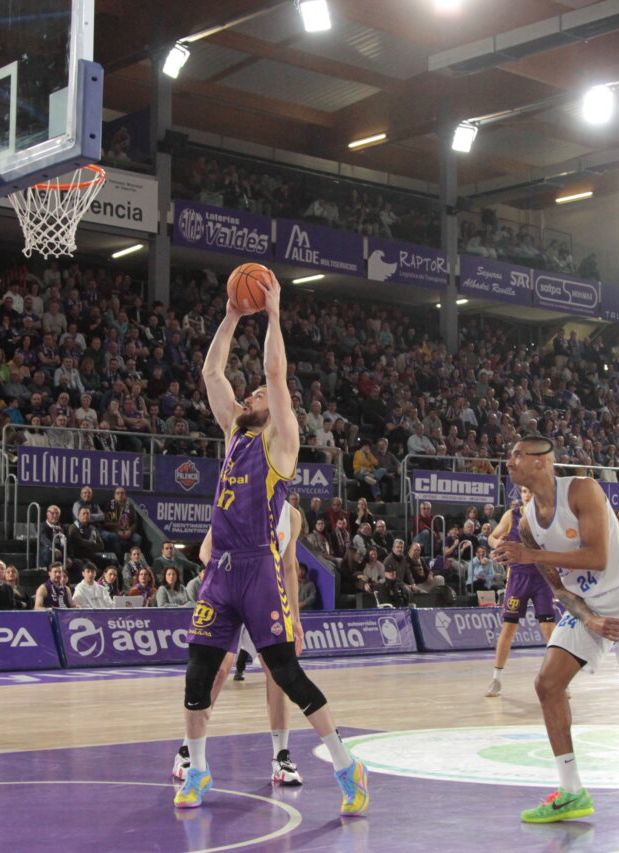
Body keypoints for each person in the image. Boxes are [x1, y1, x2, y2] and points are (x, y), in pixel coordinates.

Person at [175, 268, 366, 815]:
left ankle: (346, 765)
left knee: (285, 672)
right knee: (197, 671)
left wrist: (275, 314)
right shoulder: (234, 432)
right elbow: (212, 370)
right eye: (250, 392)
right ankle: (197, 769)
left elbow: (276, 374)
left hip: (259, 569)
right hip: (220, 572)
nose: (251, 392)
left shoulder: (281, 444)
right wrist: (233, 316)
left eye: (256, 392)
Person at [493, 435, 619, 824]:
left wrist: (529, 556)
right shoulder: (528, 523)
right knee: (547, 684)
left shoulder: (583, 489)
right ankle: (571, 791)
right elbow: (559, 587)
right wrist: (588, 619)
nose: (509, 462)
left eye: (517, 456)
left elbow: (597, 557)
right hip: (588, 604)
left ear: (542, 462)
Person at [174, 501, 307, 787]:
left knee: (278, 673)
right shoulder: (237, 501)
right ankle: (187, 750)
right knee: (219, 671)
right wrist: (235, 582)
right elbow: (206, 551)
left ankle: (281, 756)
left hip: (266, 603)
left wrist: (295, 618)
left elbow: (289, 568)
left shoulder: (291, 516)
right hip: (230, 599)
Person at [484, 487, 557, 698]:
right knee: (508, 628)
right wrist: (497, 543)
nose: (527, 495)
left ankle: (558, 679)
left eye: (531, 491)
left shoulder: (548, 518)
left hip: (542, 576)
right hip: (518, 577)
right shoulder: (512, 515)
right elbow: (492, 537)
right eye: (524, 491)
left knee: (548, 628)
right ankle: (496, 678)